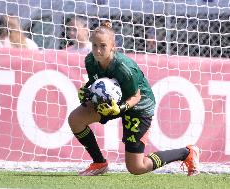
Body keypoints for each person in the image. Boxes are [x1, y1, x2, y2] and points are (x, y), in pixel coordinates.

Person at [68, 21, 200, 176]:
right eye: (95, 45)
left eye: (102, 46)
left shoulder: (124, 68)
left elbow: (136, 96)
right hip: (113, 102)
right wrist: (87, 92)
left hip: (138, 106)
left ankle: (187, 153)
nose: (97, 50)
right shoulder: (90, 60)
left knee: (137, 168)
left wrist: (120, 108)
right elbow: (98, 83)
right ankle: (99, 163)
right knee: (75, 119)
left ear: (113, 46)